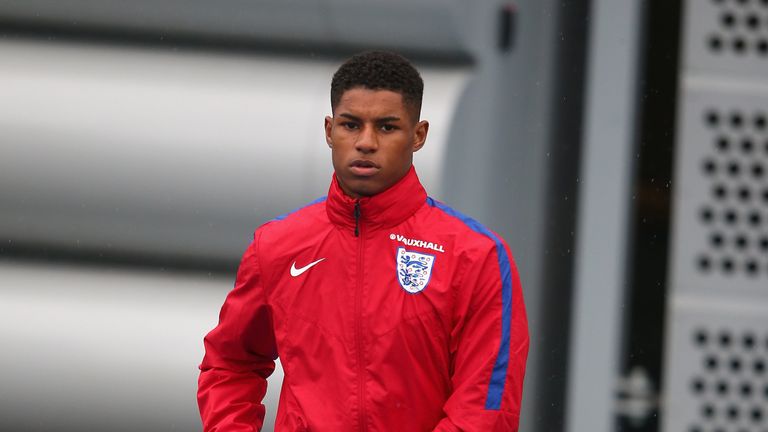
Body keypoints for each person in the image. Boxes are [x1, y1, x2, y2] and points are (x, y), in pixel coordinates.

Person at [198, 51, 529, 431]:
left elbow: (486, 403)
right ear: (328, 130)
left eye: (387, 127)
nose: (366, 142)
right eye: (351, 125)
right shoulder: (277, 244)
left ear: (418, 135)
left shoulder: (475, 255)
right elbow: (230, 362)